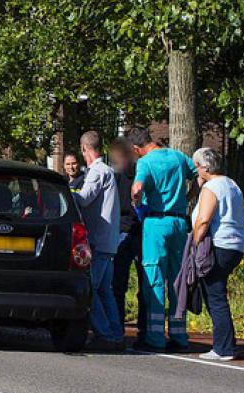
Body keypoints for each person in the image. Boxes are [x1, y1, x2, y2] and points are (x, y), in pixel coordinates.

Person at [128, 127, 197, 351]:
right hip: (179, 222)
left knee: (154, 278)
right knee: (177, 279)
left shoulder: (145, 162)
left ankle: (155, 337)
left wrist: (136, 199)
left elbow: (137, 187)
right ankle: (179, 336)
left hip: (156, 224)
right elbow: (199, 175)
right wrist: (189, 197)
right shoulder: (177, 156)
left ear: (137, 148)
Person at [191, 147, 244, 361]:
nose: (196, 170)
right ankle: (228, 342)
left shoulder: (212, 188)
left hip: (218, 244)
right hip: (235, 244)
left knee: (214, 295)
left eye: (197, 166)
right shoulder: (232, 184)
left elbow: (204, 219)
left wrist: (195, 244)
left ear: (205, 167)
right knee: (217, 293)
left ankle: (223, 348)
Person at [73, 131, 124, 350]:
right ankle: (116, 333)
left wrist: (66, 192)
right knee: (105, 291)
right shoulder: (108, 171)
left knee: (91, 291)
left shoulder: (97, 171)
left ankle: (105, 334)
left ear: (85, 149)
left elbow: (84, 199)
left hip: (97, 241)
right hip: (108, 240)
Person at [109, 137, 146, 344]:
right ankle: (143, 329)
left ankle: (118, 329)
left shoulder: (116, 176)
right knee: (144, 284)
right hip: (140, 230)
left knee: (118, 285)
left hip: (124, 231)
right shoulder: (143, 172)